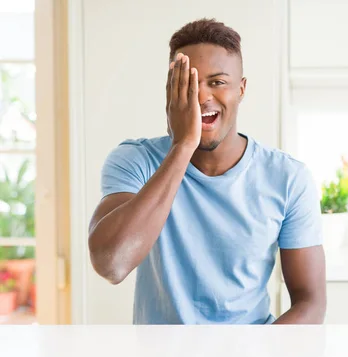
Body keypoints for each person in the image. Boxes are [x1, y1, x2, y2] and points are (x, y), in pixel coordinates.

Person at [87, 18, 326, 324]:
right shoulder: (136, 160)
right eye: (189, 82)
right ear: (171, 90)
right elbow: (112, 264)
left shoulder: (288, 177)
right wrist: (183, 145)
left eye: (217, 82)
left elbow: (311, 302)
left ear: (241, 89)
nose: (201, 96)